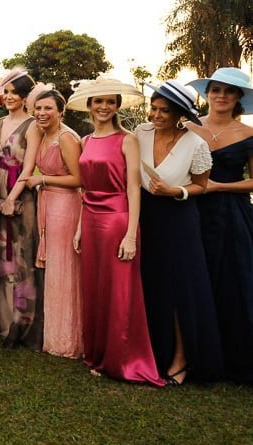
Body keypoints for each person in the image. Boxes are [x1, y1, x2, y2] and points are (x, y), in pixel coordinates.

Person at [66, 77, 163, 385]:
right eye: (98, 101)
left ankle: (122, 361)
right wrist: (81, 227)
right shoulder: (85, 141)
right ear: (90, 106)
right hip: (92, 222)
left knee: (120, 292)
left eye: (110, 101)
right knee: (95, 290)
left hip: (118, 221)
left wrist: (131, 234)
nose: (104, 106)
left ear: (117, 106)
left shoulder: (127, 140)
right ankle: (97, 353)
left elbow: (134, 190)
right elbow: (85, 189)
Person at [136, 81, 223, 384]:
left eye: (164, 111)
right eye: (154, 108)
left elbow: (201, 185)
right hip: (145, 215)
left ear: (180, 115)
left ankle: (182, 358)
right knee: (150, 284)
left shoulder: (195, 144)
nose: (156, 115)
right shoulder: (140, 134)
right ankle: (152, 353)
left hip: (178, 218)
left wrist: (176, 191)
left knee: (179, 290)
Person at [186, 67, 253, 384]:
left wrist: (218, 186)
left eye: (229, 91)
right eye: (216, 89)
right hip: (190, 210)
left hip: (231, 216)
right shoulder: (187, 127)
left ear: (239, 97)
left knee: (230, 282)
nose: (221, 96)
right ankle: (189, 352)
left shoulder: (248, 135)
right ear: (207, 93)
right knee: (193, 278)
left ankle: (230, 357)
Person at [15, 88, 83, 358]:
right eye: (38, 109)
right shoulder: (43, 134)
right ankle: (54, 335)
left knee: (65, 269)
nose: (41, 113)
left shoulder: (66, 138)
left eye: (48, 109)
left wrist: (42, 180)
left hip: (66, 206)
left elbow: (79, 180)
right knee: (54, 269)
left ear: (60, 112)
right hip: (48, 205)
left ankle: (68, 338)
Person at [0, 69, 42, 349]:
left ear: (26, 97)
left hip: (21, 193)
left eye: (15, 93)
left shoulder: (32, 125)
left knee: (20, 257)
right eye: (6, 92)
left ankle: (21, 325)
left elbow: (29, 167)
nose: (9, 97)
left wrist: (11, 198)